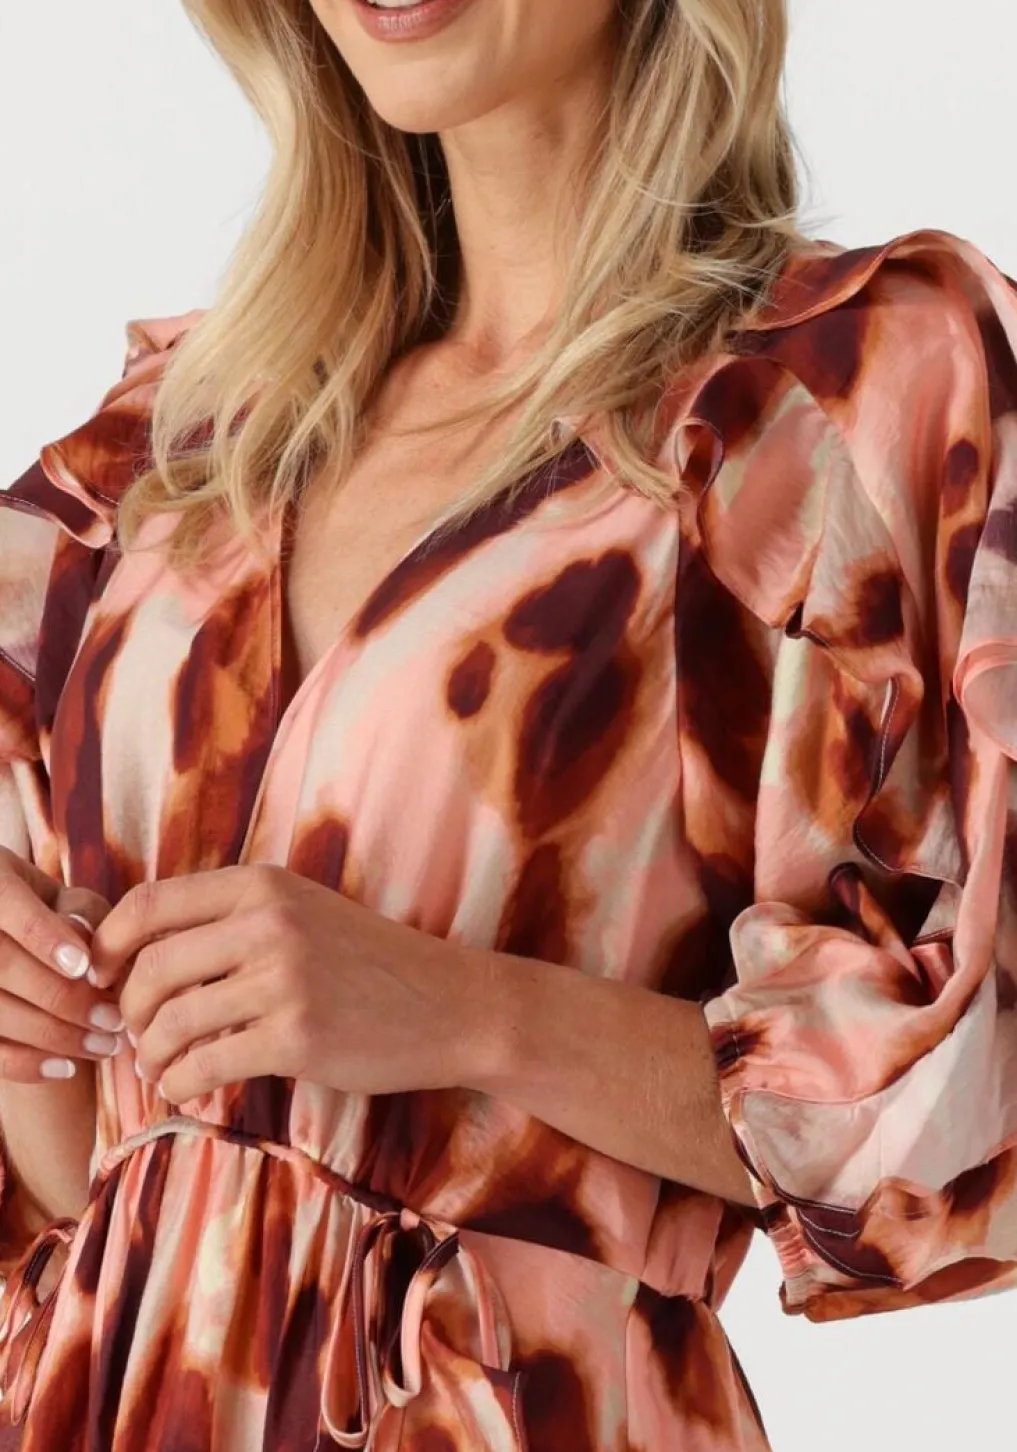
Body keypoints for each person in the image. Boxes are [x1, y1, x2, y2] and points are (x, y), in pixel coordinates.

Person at [0, 0, 1015, 1447]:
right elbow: (82, 1187)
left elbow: (965, 1118)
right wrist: (30, 1020)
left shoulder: (824, 403)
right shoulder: (169, 464)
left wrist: (461, 1013)